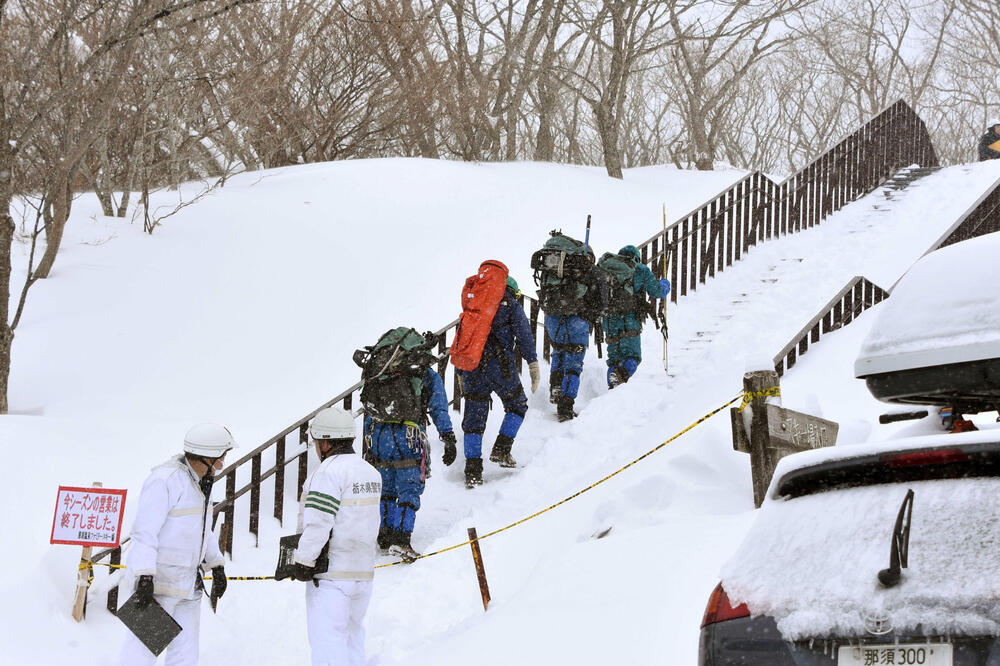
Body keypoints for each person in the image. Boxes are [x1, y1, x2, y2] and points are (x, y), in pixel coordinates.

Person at [117, 423, 235, 666]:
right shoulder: (165, 480)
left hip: (188, 585)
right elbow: (144, 532)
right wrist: (145, 577)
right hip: (158, 586)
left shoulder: (202, 483)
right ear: (206, 457)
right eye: (221, 458)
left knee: (185, 655)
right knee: (141, 653)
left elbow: (201, 530)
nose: (223, 464)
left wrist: (217, 565)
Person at [291, 407, 381, 666]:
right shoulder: (370, 472)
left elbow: (319, 522)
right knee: (353, 639)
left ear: (326, 442)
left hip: (331, 577)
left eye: (317, 442)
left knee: (328, 645)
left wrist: (303, 561)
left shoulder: (328, 473)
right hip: (362, 574)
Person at [362, 331, 455, 559]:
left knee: (386, 488)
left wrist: (368, 439)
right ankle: (402, 540)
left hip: (379, 433)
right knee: (409, 487)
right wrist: (448, 436)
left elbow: (369, 409)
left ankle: (384, 535)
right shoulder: (425, 374)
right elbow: (438, 407)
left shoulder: (381, 372)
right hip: (409, 434)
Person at [456, 276, 539, 488]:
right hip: (500, 366)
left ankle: (472, 471)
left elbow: (461, 339)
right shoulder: (510, 304)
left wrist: (459, 370)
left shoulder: (473, 306)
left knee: (474, 420)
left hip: (472, 366)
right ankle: (502, 450)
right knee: (518, 405)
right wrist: (532, 363)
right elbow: (524, 334)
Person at [538, 238, 607, 422]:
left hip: (553, 318)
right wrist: (591, 315)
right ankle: (566, 406)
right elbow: (602, 297)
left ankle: (556, 388)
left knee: (558, 352)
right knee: (574, 364)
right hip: (577, 319)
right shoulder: (589, 271)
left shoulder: (553, 271)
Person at [601, 245, 671, 388]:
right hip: (629, 320)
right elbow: (657, 292)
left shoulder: (606, 267)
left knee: (614, 360)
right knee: (632, 357)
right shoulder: (639, 269)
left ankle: (612, 387)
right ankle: (619, 378)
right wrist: (665, 284)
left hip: (609, 320)